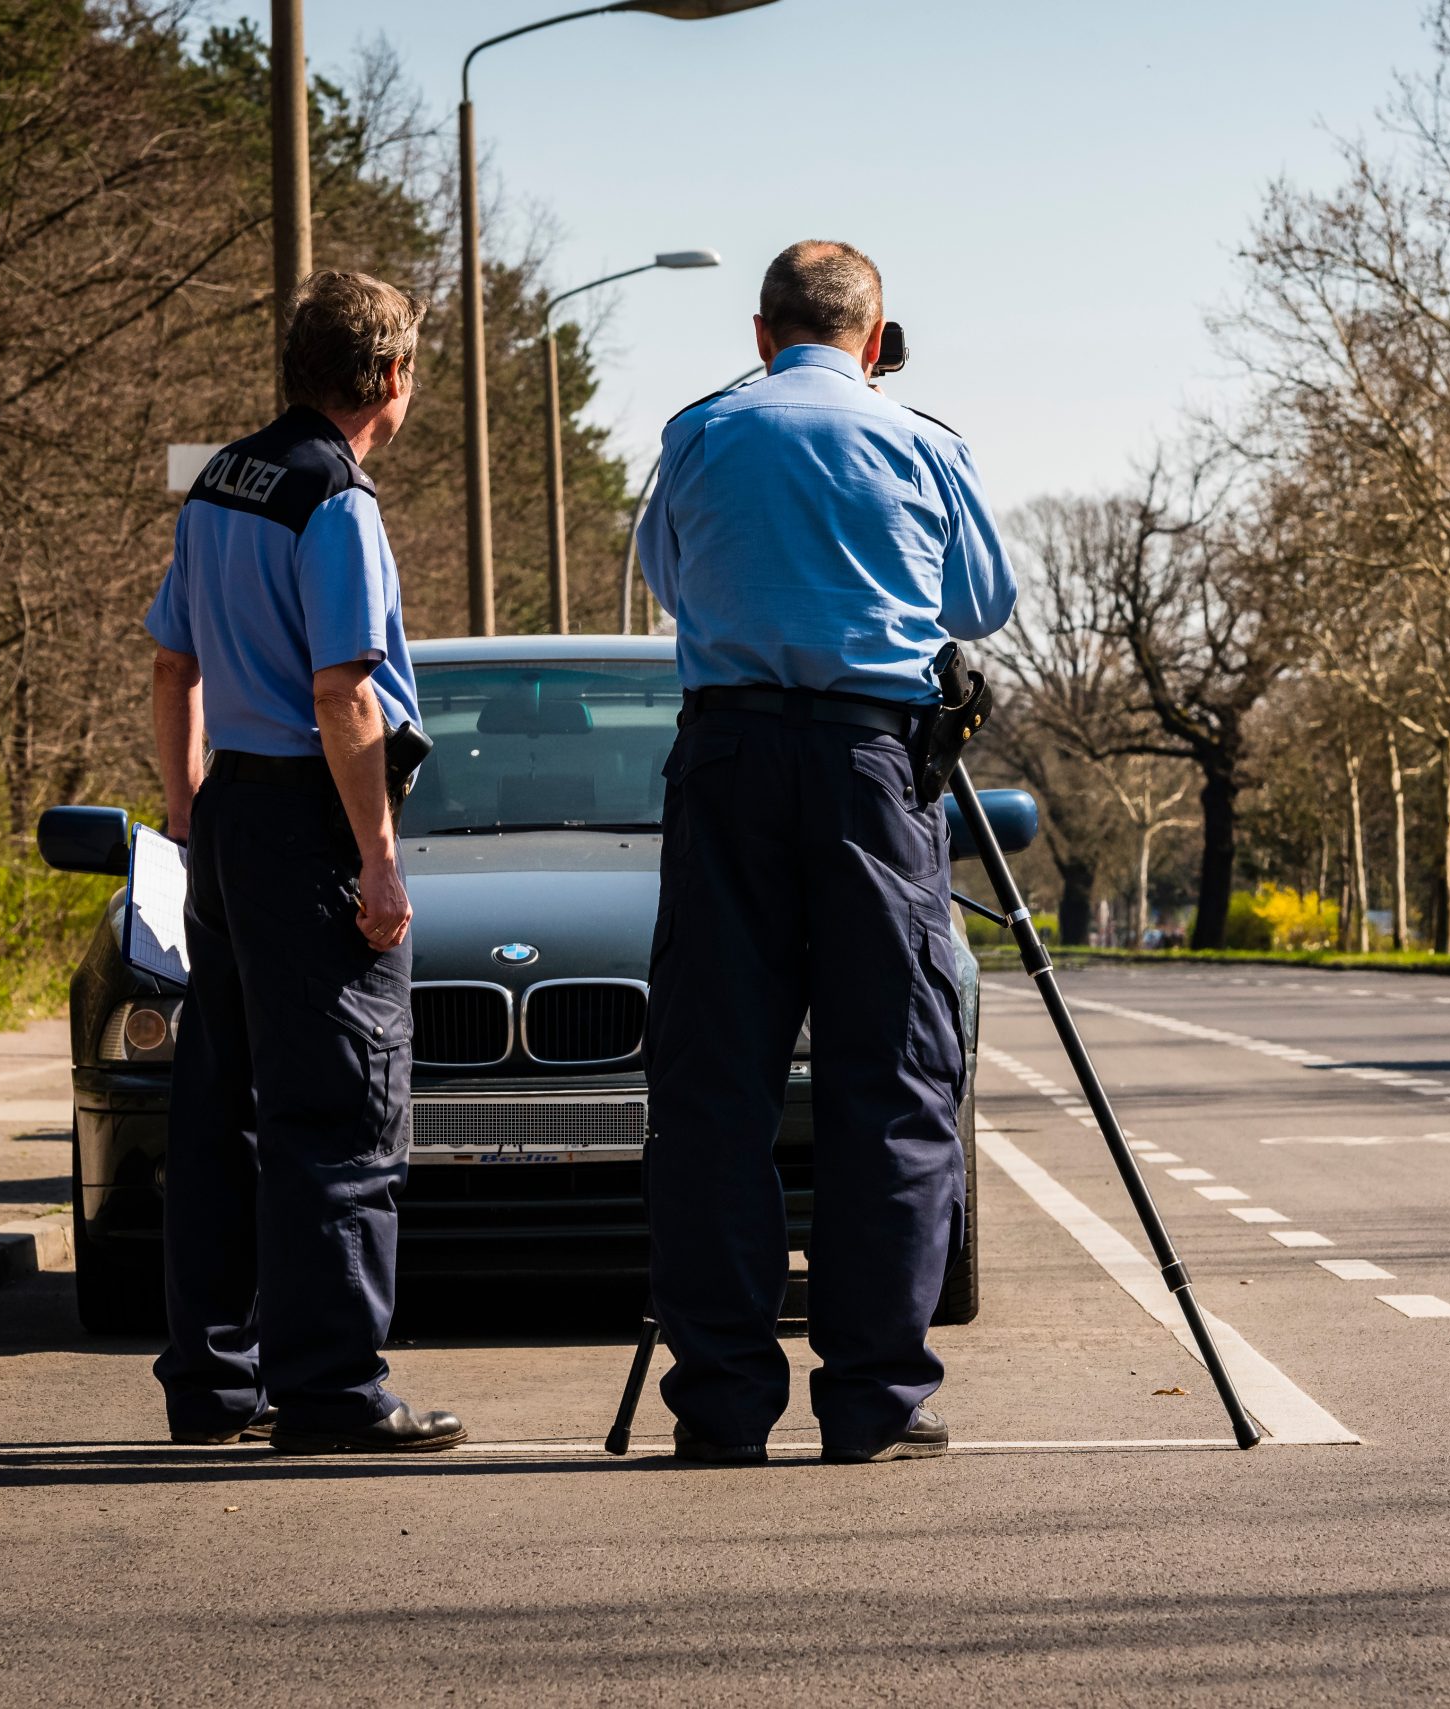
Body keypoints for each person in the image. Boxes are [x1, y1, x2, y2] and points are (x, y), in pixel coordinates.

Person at [636, 239, 1016, 1465]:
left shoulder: (698, 432)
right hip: (870, 766)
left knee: (714, 1089)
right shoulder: (921, 440)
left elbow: (666, 576)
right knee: (891, 1083)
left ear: (759, 332)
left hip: (730, 758)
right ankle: (871, 1396)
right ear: (874, 330)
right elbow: (981, 600)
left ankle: (723, 1400)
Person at [142, 270, 466, 1455]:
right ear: (388, 377)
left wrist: (186, 814)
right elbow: (346, 693)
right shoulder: (337, 499)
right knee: (340, 1111)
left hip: (230, 810)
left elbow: (173, 666)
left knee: (220, 1113)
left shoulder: (220, 479)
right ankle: (333, 1390)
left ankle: (214, 1384)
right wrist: (378, 860)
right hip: (307, 823)